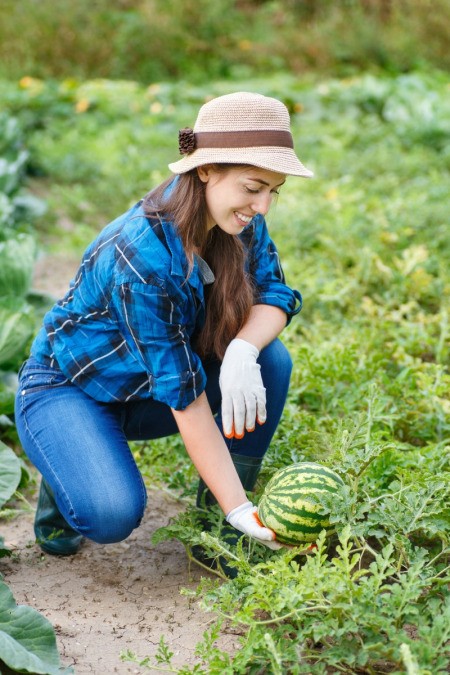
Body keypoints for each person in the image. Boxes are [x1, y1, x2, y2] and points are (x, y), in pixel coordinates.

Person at [14, 92, 313, 572]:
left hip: (146, 384)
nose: (263, 206)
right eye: (254, 187)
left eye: (273, 190)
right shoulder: (142, 256)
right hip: (71, 389)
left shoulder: (240, 222)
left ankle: (215, 531)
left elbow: (276, 295)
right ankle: (64, 466)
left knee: (268, 359)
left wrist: (240, 350)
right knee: (110, 514)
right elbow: (186, 399)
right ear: (205, 170)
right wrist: (244, 508)